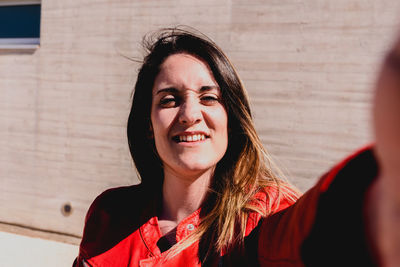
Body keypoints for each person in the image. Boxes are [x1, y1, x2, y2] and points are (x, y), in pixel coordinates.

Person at [74, 28, 400, 266]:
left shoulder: (262, 215)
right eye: (169, 100)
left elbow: (311, 233)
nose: (190, 115)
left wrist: (378, 197)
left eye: (209, 98)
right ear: (148, 125)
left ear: (230, 118)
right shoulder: (109, 213)